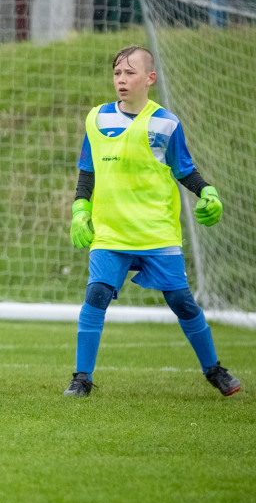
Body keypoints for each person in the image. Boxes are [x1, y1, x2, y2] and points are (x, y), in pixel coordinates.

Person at [65, 46, 240, 398]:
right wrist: (80, 209)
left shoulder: (166, 123)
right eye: (117, 73)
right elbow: (88, 171)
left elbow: (184, 169)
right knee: (96, 295)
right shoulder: (97, 119)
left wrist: (207, 192)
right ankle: (81, 378)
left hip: (157, 231)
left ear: (150, 78)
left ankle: (214, 370)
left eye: (130, 73)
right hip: (111, 231)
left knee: (182, 301)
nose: (121, 79)